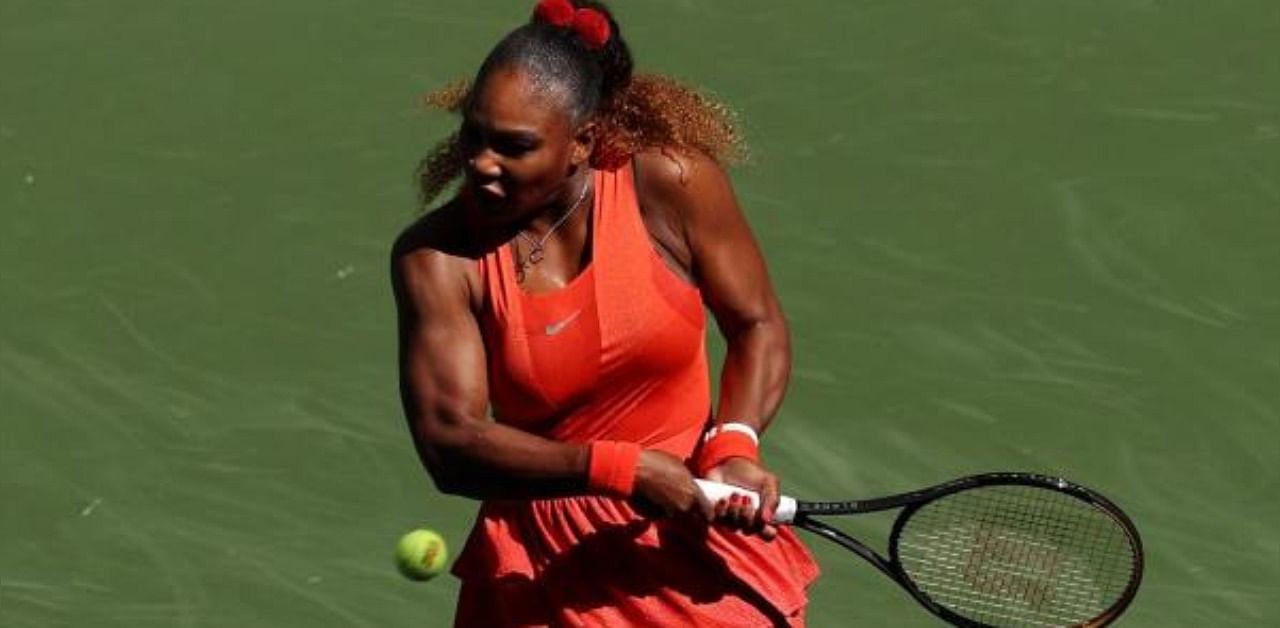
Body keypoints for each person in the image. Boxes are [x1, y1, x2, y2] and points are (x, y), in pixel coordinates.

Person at [392, 1, 819, 625]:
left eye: (513, 147)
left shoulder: (669, 182)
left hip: (690, 539)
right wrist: (619, 469)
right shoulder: (438, 259)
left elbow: (756, 324)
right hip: (545, 572)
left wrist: (734, 441)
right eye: (473, 135)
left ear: (583, 141)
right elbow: (450, 443)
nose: (482, 163)